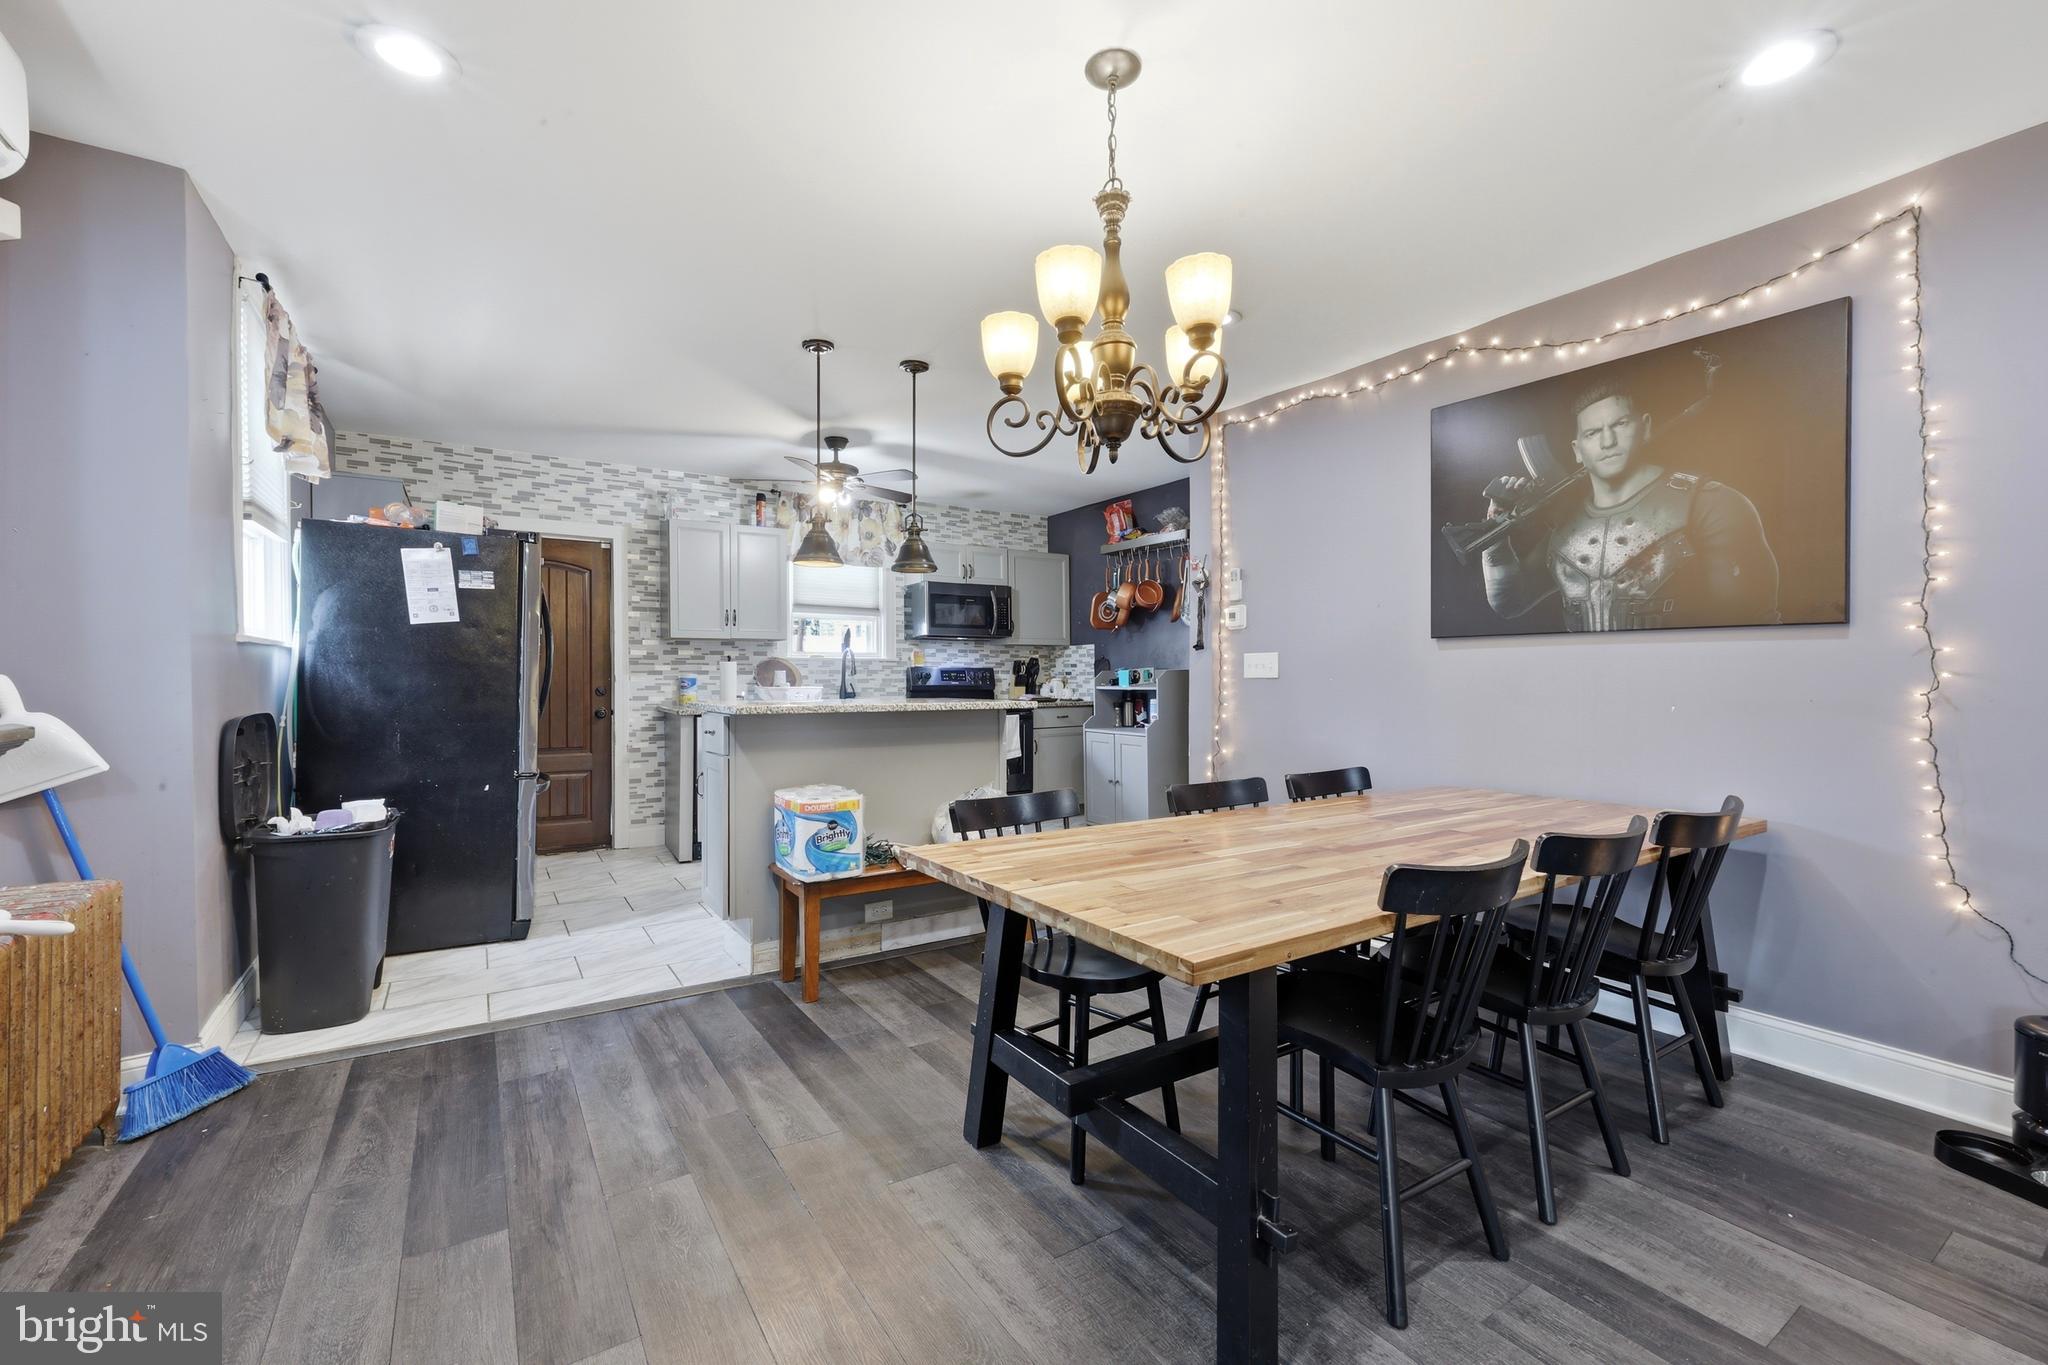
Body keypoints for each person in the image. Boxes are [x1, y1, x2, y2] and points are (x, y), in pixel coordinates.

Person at [1480, 379, 1780, 630]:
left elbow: (1752, 623)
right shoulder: (1568, 524)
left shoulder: (1710, 503)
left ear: (1645, 427)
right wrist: (1495, 541)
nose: (1607, 441)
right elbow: (1510, 603)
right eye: (1592, 433)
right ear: (1577, 450)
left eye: (1620, 424)